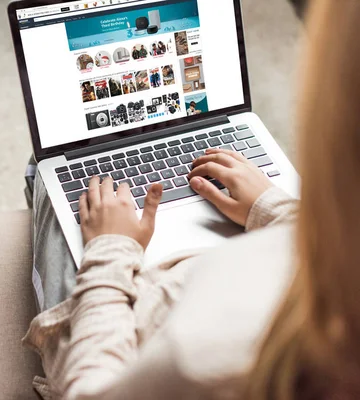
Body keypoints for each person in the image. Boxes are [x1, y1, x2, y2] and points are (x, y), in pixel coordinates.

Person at [23, 0, 360, 399]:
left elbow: (92, 390)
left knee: (49, 170)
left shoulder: (202, 361)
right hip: (229, 263)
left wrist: (109, 250)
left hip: (128, 321)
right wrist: (276, 209)